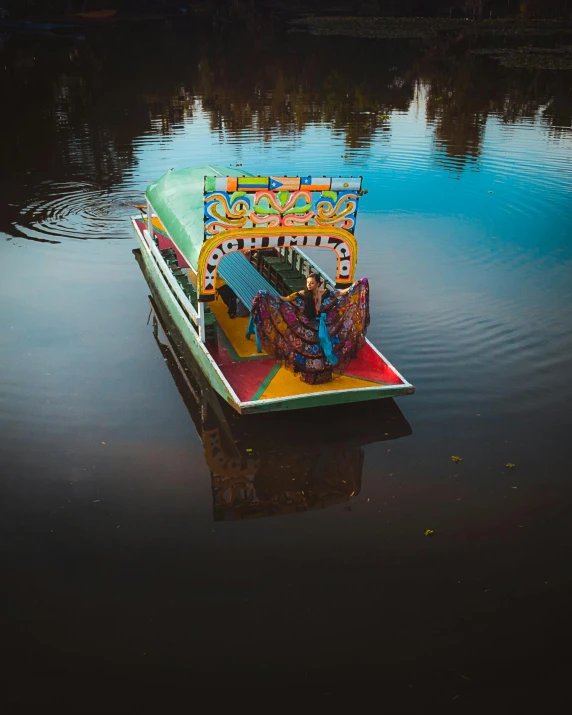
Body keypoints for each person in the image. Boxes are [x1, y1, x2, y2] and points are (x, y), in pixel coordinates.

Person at [251, 271, 370, 385]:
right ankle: (310, 375)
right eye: (308, 282)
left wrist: (357, 284)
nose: (309, 285)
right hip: (308, 325)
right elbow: (287, 299)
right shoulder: (302, 294)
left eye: (312, 283)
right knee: (310, 351)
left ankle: (323, 375)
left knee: (322, 350)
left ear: (318, 283)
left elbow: (341, 293)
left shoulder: (325, 293)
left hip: (322, 325)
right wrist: (266, 295)